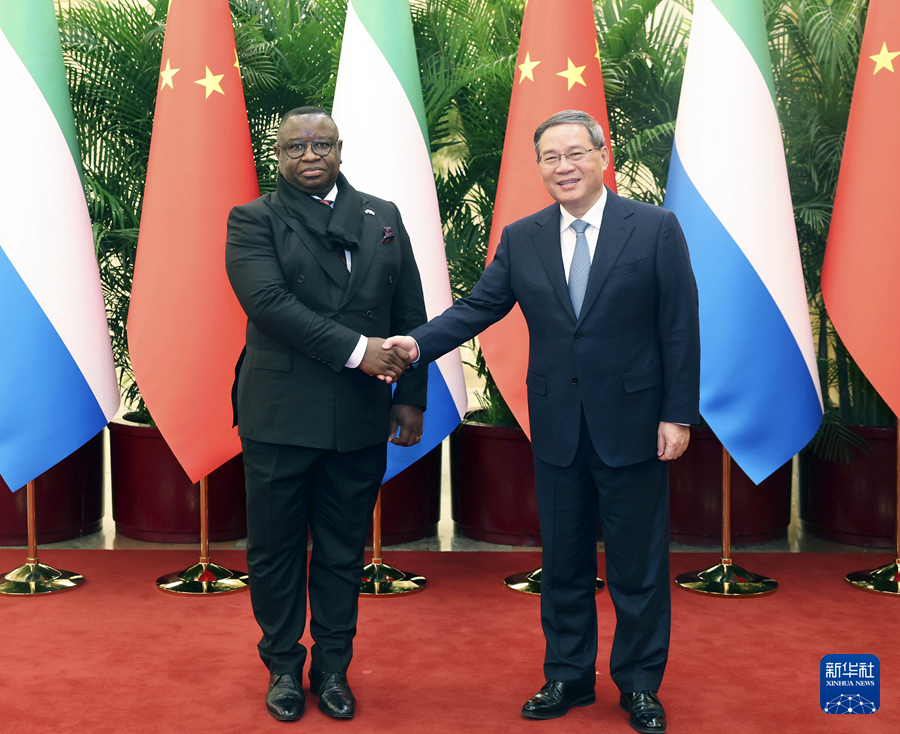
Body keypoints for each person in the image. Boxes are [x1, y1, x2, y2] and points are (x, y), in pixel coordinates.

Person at [383, 110, 700, 734]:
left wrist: (678, 415)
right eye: (551, 157)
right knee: (563, 563)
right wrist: (416, 344)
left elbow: (680, 328)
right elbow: (479, 307)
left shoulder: (654, 228)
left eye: (576, 153)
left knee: (637, 566)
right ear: (539, 168)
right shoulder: (523, 236)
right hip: (556, 426)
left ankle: (639, 684)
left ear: (602, 156)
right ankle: (568, 676)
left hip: (636, 425)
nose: (564, 167)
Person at [225, 106, 426, 722]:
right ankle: (283, 666)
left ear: (340, 149)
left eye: (321, 145)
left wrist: (411, 395)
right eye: (295, 147)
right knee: (276, 549)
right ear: (277, 155)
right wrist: (360, 351)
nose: (309, 155)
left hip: (359, 414)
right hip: (280, 413)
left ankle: (333, 667)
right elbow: (269, 303)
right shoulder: (253, 219)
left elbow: (409, 309)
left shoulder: (382, 215)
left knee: (342, 550)